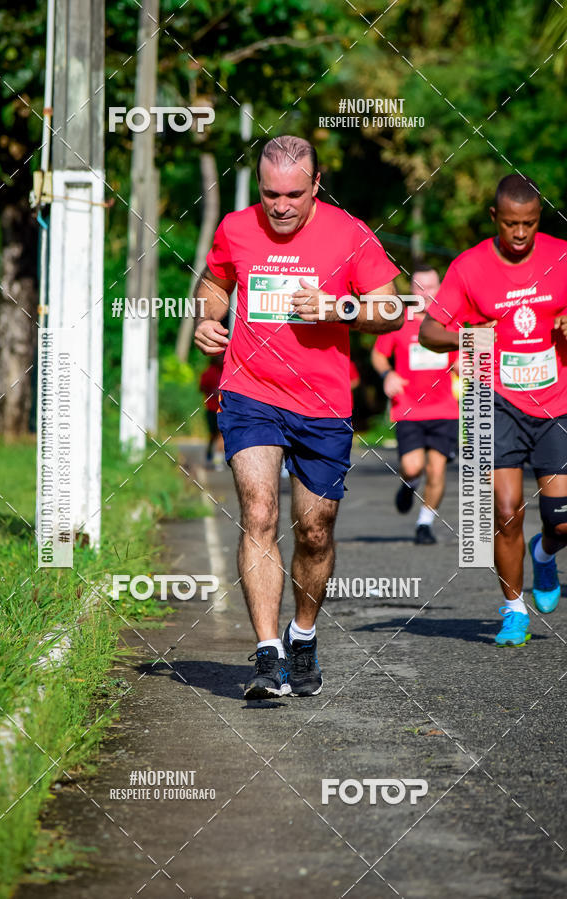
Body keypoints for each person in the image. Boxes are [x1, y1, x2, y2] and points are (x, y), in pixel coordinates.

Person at [194, 135, 402, 699]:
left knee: (314, 530)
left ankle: (302, 634)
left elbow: (392, 308)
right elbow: (215, 283)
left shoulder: (350, 233)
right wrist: (208, 319)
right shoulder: (236, 228)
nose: (281, 206)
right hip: (250, 393)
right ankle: (268, 656)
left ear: (316, 185)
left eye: (293, 194)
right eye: (270, 195)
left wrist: (339, 307)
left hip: (322, 403)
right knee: (259, 512)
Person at [419, 173, 567, 647]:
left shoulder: (561, 257)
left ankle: (544, 555)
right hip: (496, 401)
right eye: (510, 223)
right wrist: (468, 334)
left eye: (529, 223)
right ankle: (514, 610)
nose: (520, 233)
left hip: (556, 403)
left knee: (561, 521)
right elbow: (428, 331)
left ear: (539, 218)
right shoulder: (469, 267)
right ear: (494, 218)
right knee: (506, 512)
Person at [371, 264, 459, 545]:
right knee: (412, 467)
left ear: (440, 289)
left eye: (431, 287)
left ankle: (424, 524)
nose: (426, 293)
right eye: (419, 287)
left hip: (445, 409)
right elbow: (378, 355)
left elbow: (464, 356)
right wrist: (387, 374)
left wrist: (465, 364)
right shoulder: (399, 321)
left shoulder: (451, 322)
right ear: (411, 290)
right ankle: (410, 484)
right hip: (408, 409)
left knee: (437, 469)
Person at [199, 356, 225, 469]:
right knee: (213, 434)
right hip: (211, 408)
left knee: (221, 434)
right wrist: (212, 391)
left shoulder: (227, 371)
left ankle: (217, 460)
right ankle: (210, 452)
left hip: (224, 409)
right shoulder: (209, 372)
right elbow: (201, 387)